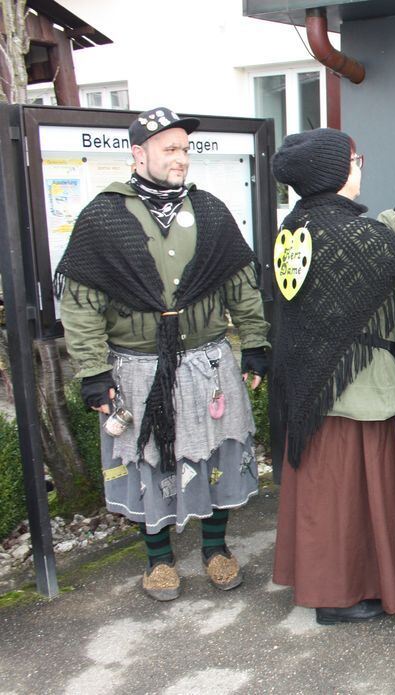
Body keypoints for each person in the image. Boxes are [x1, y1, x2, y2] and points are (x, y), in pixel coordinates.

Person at [57, 106, 270, 601]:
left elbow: (239, 284)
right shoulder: (103, 217)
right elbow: (82, 305)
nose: (181, 159)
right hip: (137, 366)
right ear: (138, 153)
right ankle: (158, 562)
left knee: (218, 452)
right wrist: (93, 372)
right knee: (149, 461)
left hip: (207, 360)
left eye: (185, 149)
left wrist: (255, 342)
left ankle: (216, 550)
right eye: (170, 149)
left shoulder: (211, 211)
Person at [269, 128, 395, 625]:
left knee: (324, 493)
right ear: (333, 172)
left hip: (310, 383)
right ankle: (338, 596)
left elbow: (365, 250)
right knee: (347, 499)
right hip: (350, 389)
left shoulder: (299, 225)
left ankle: (330, 584)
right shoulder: (349, 235)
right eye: (355, 160)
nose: (360, 167)